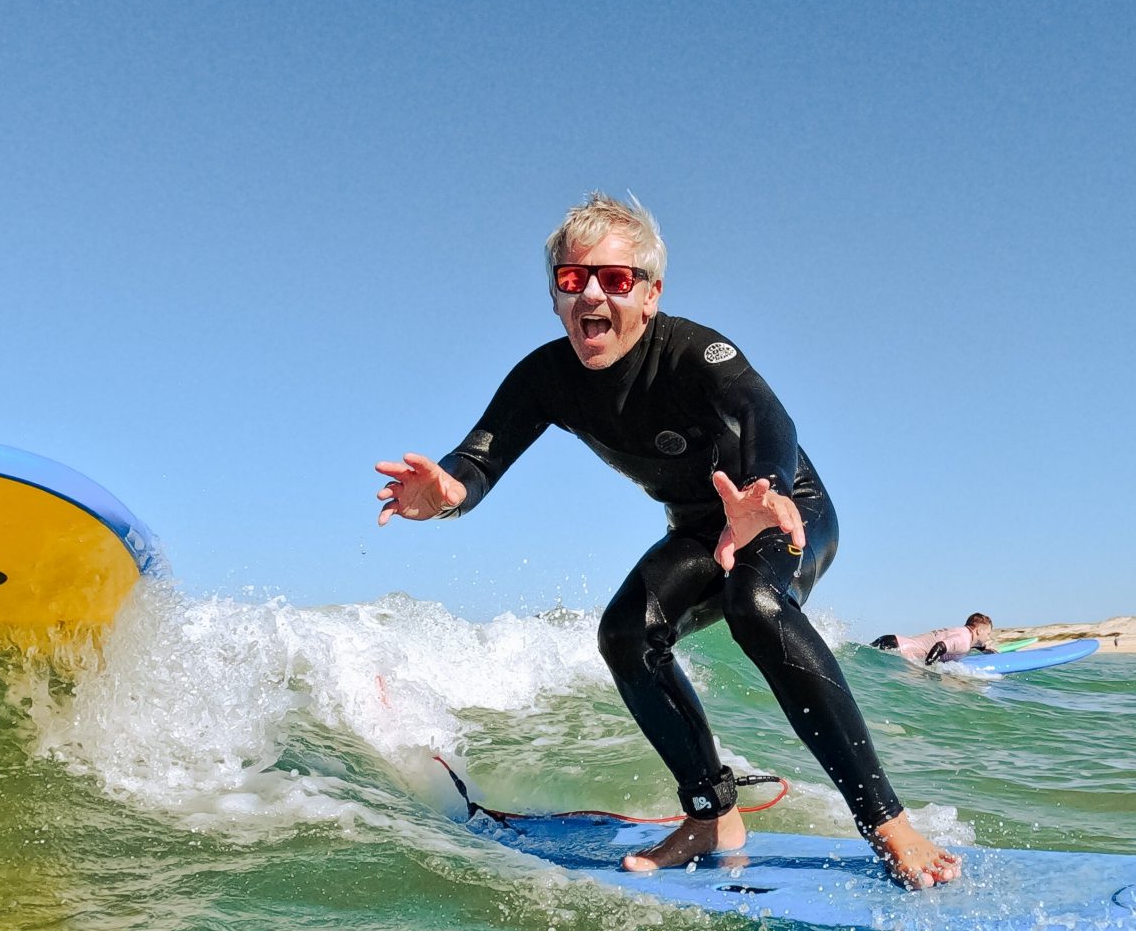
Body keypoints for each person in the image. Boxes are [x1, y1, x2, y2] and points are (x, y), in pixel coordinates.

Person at [374, 193, 961, 889]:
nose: (592, 293)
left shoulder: (693, 352)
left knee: (757, 604)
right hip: (701, 529)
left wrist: (766, 489)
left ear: (649, 295)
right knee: (625, 634)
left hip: (783, 510)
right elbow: (477, 462)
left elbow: (765, 414)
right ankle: (713, 814)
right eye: (572, 279)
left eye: (616, 280)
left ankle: (888, 822)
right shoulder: (546, 377)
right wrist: (447, 497)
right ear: (557, 298)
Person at [871, 614, 1000, 668]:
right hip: (898, 647)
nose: (988, 637)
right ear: (978, 631)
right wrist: (929, 668)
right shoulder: (964, 641)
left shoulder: (962, 633)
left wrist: (982, 648)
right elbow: (940, 646)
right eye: (987, 633)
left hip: (892, 641)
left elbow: (953, 646)